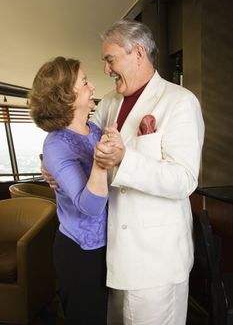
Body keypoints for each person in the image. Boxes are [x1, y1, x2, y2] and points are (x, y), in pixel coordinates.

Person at [43, 20, 205, 325]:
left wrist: (125, 159)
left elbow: (185, 180)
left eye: (110, 59)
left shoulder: (180, 102)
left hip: (156, 262)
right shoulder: (109, 104)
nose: (106, 70)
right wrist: (48, 163)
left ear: (139, 53)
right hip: (113, 259)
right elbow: (75, 138)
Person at [29, 56, 110, 325]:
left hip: (109, 247)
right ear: (66, 96)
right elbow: (91, 206)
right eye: (85, 82)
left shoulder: (95, 130)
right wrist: (101, 163)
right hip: (80, 254)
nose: (93, 87)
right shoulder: (56, 145)